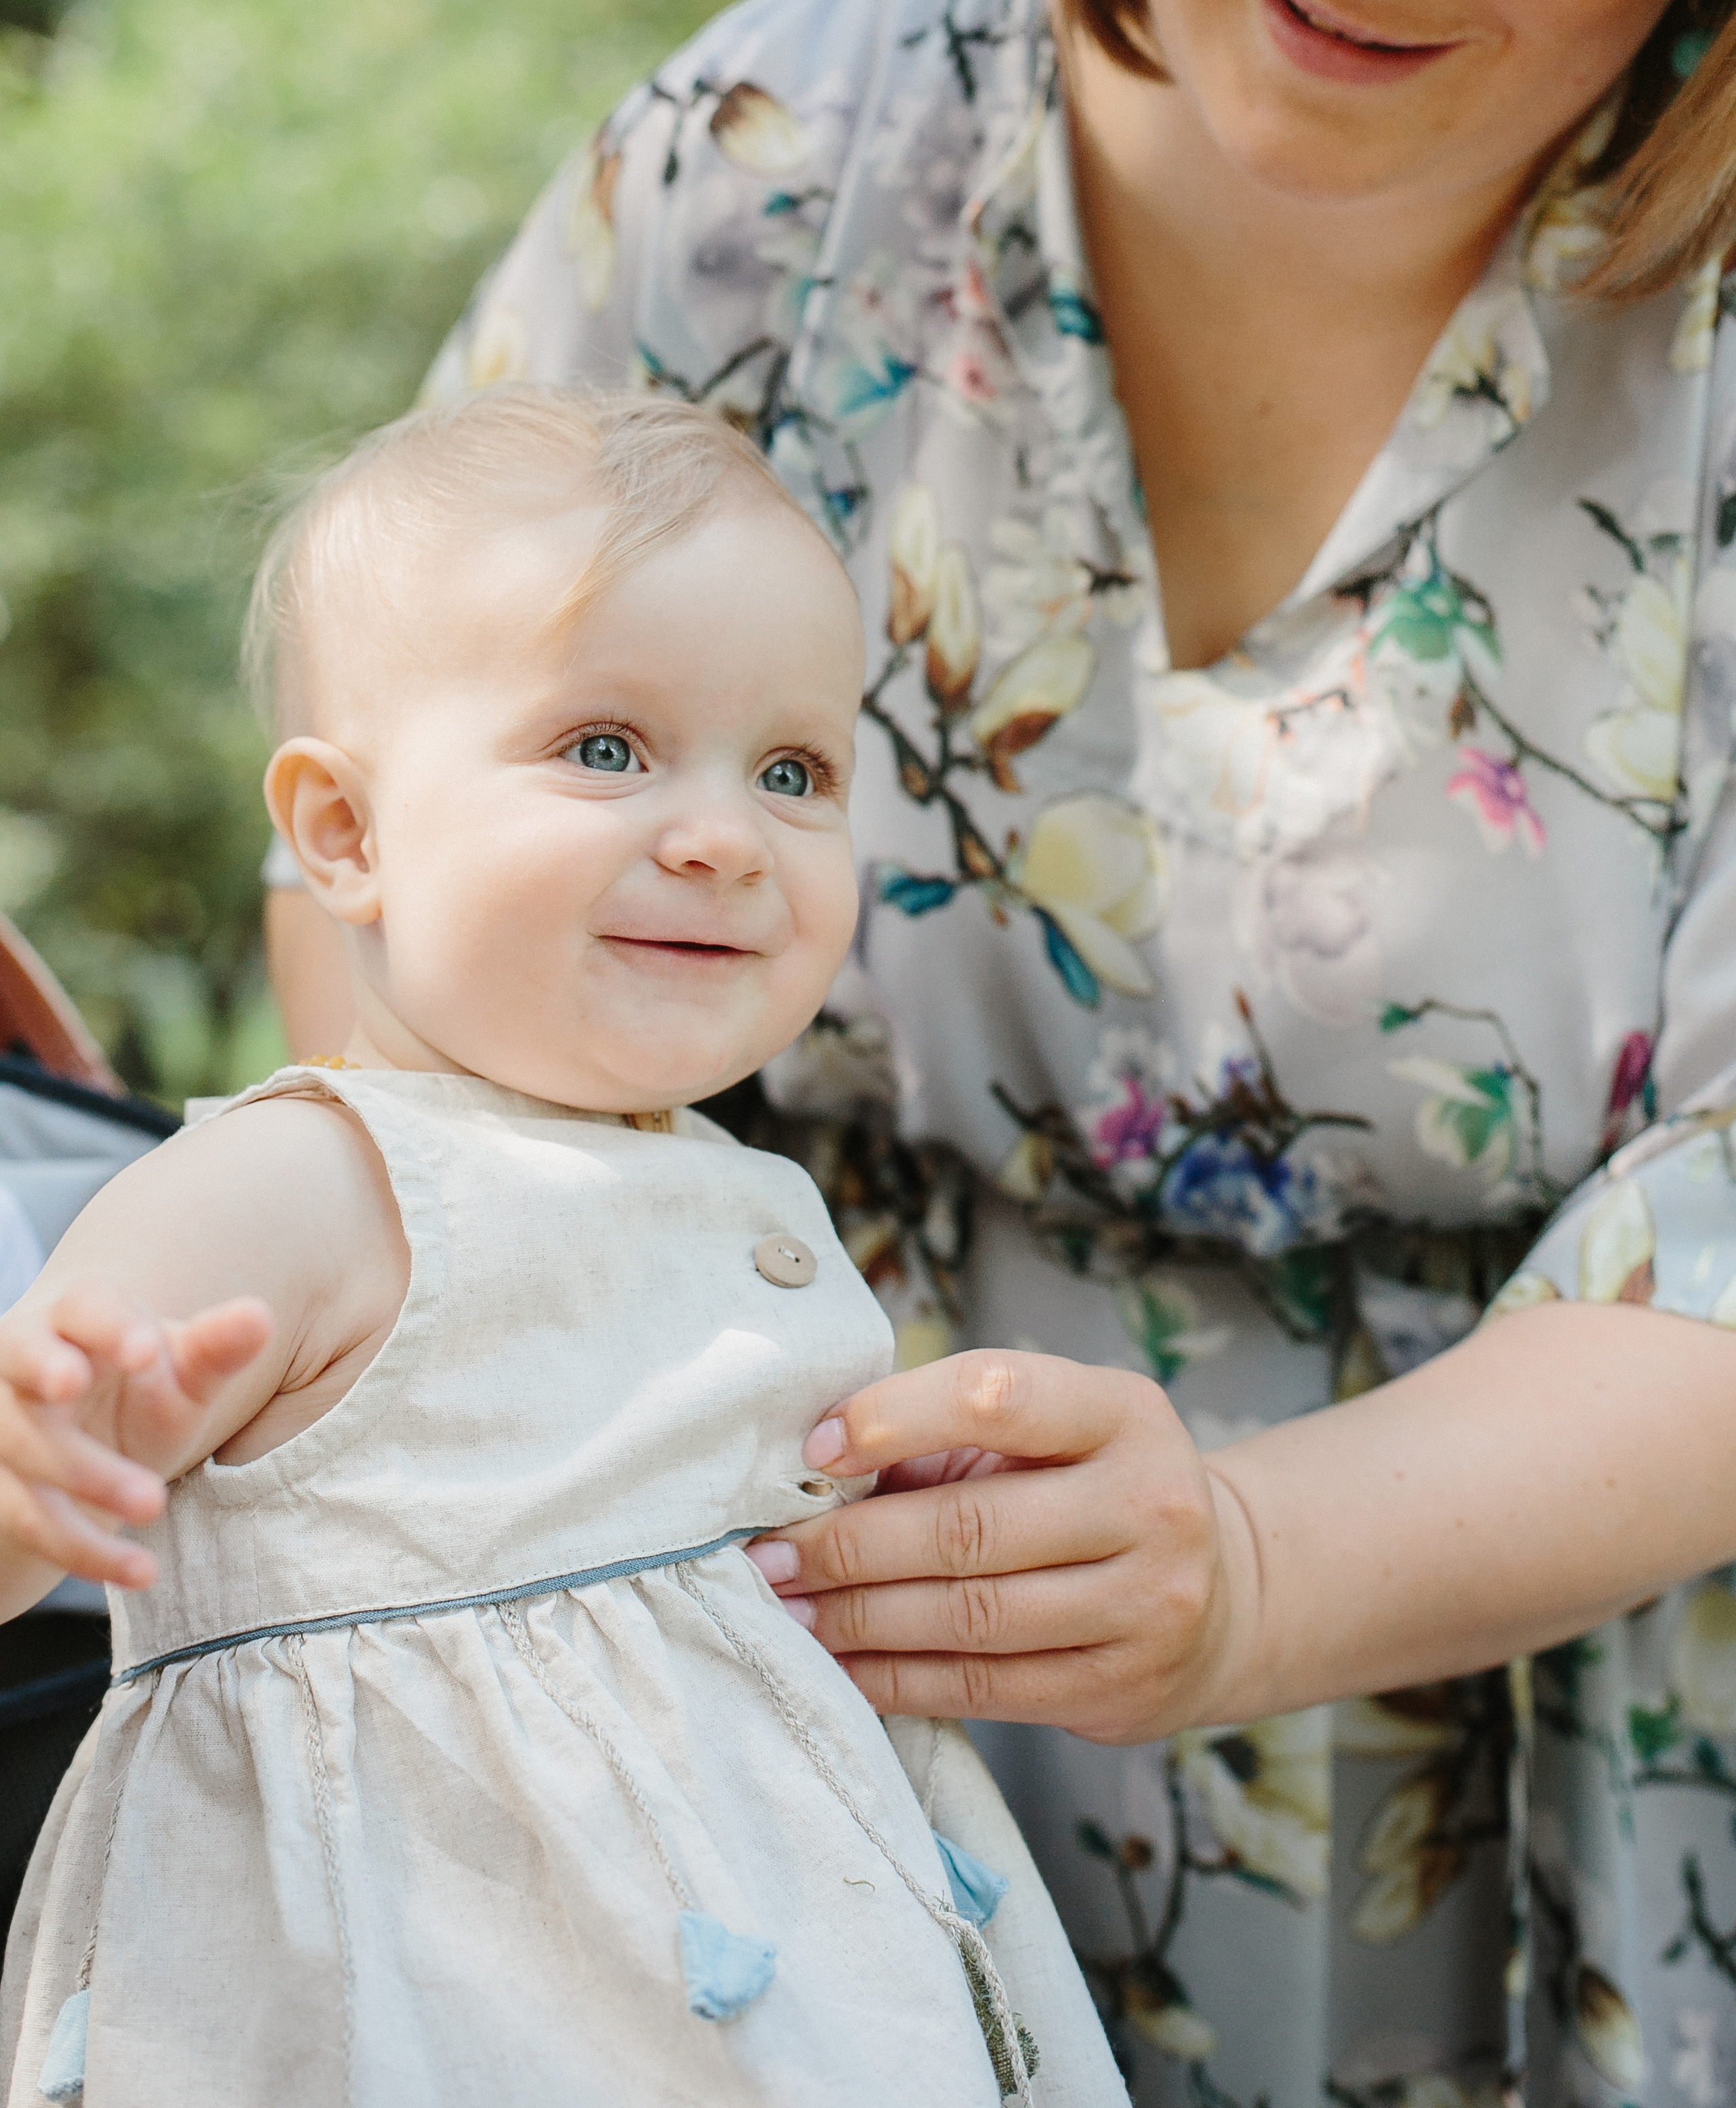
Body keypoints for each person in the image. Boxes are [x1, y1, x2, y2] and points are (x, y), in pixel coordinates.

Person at [264, 0, 1736, 2098]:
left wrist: (1256, 1563)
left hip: (1573, 1766)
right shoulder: (786, 157)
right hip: (728, 1712)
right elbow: (401, 832)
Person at [0, 391, 1128, 2108]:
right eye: (604, 748)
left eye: (791, 771)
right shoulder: (305, 1182)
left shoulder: (720, 1185)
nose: (718, 833)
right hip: (428, 2004)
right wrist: (32, 1485)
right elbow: (55, 1461)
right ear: (344, 835)